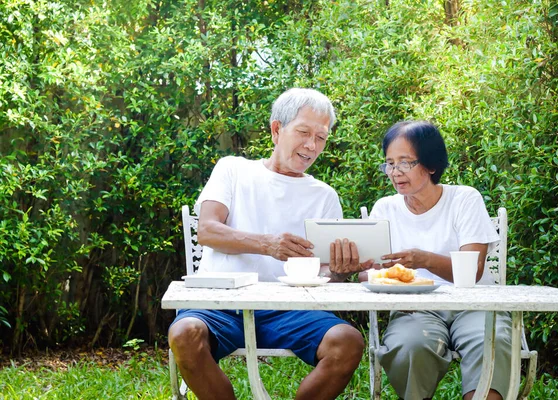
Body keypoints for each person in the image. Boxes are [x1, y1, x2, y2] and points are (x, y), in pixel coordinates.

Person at [168, 88, 367, 400]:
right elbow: (206, 230)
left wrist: (342, 271)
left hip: (289, 309)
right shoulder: (233, 169)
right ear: (277, 129)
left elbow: (326, 275)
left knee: (348, 341)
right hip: (220, 302)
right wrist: (268, 244)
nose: (312, 146)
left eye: (321, 137)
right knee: (183, 334)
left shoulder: (325, 196)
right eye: (303, 132)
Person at [355, 120, 512, 400]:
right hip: (414, 308)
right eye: (389, 164)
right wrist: (368, 271)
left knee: (492, 341)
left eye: (405, 163)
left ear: (430, 164)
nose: (395, 172)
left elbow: (473, 271)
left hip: (473, 304)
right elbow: (368, 275)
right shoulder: (385, 208)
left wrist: (422, 259)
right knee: (408, 344)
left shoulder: (464, 199)